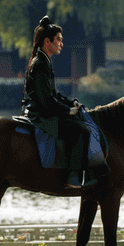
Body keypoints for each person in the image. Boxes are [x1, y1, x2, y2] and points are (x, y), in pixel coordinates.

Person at [21, 16, 93, 188]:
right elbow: (46, 101)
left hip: (42, 109)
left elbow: (53, 94)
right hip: (39, 113)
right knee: (81, 130)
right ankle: (73, 177)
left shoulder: (44, 61)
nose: (61, 44)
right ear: (47, 42)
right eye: (58, 40)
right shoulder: (40, 63)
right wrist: (68, 111)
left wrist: (71, 104)